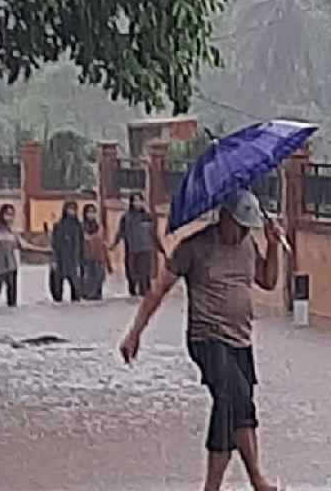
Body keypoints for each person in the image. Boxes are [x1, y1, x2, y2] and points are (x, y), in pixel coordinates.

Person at [119, 190, 281, 491]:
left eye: (249, 226)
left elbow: (268, 281)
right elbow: (158, 290)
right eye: (240, 225)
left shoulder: (248, 244)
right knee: (230, 398)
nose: (245, 231)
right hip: (207, 338)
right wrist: (134, 333)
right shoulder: (193, 247)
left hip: (241, 340)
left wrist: (273, 246)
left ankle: (255, 479)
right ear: (224, 217)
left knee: (241, 404)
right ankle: (218, 485)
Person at [0, 203, 47, 307]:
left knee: (12, 302)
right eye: (7, 214)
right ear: (1, 214)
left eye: (12, 215)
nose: (10, 217)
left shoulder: (13, 231)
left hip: (11, 268)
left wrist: (44, 250)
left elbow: (24, 246)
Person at [114, 192, 163, 297]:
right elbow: (120, 232)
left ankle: (144, 292)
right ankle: (132, 289)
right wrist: (114, 244)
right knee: (131, 272)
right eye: (135, 201)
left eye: (139, 200)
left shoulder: (147, 216)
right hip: (131, 248)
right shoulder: (126, 217)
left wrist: (160, 247)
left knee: (144, 272)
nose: (137, 203)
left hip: (145, 248)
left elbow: (153, 233)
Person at [49, 201, 84, 303]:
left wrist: (81, 261)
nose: (71, 211)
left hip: (74, 259)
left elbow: (81, 244)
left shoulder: (78, 226)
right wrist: (54, 260)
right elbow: (54, 244)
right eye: (69, 209)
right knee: (57, 287)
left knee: (76, 288)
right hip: (60, 258)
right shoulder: (58, 226)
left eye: (73, 209)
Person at [80, 203, 112, 300]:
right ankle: (87, 295)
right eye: (89, 212)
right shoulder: (81, 228)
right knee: (87, 278)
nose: (91, 214)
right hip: (86, 258)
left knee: (99, 278)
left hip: (99, 258)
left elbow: (104, 244)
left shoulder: (100, 228)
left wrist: (108, 262)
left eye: (93, 212)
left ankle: (97, 295)